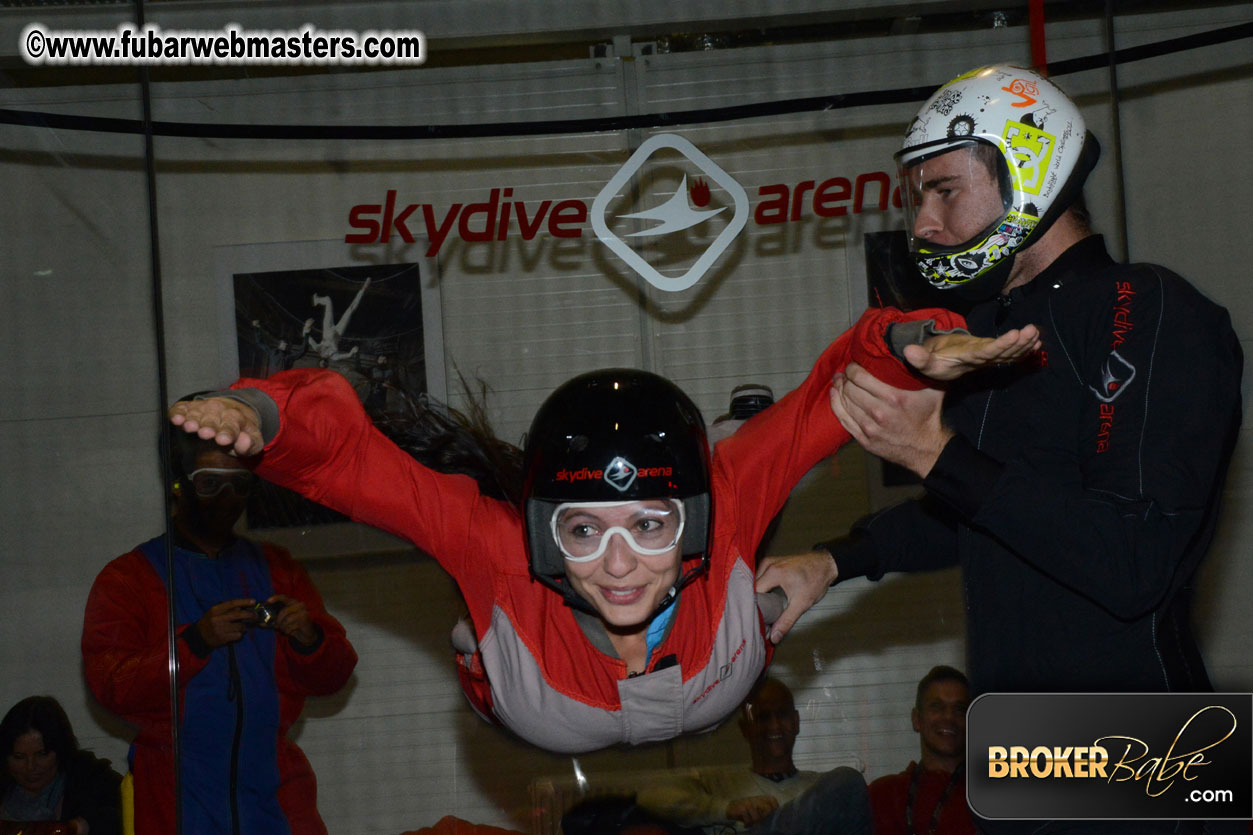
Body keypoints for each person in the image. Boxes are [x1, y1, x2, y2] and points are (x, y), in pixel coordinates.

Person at [167, 306, 1040, 754]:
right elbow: (354, 463)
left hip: (710, 663)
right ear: (546, 530)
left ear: (691, 512)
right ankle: (491, 639)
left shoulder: (725, 496)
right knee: (492, 582)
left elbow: (835, 389)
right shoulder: (499, 544)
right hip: (545, 697)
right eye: (582, 530)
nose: (618, 566)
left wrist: (918, 340)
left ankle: (744, 584)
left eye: (649, 524)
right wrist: (258, 415)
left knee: (754, 499)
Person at [765, 64, 1243, 832]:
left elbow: (1133, 560)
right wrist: (830, 561)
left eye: (944, 191)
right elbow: (981, 512)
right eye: (916, 197)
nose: (923, 222)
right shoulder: (990, 333)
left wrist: (935, 455)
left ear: (1030, 173)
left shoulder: (1150, 308)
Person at [81, 425, 358, 835]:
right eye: (210, 483)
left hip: (275, 793)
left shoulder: (277, 568)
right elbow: (111, 686)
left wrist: (309, 638)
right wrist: (195, 641)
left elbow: (335, 674)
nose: (227, 499)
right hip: (177, 796)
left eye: (239, 485)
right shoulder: (128, 578)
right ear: (177, 486)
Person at [637, 676, 872, 834]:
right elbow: (649, 797)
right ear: (745, 729)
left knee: (847, 781)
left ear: (796, 722)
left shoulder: (821, 791)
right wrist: (726, 809)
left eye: (783, 715)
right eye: (763, 717)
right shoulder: (718, 783)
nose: (775, 726)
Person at [867, 667, 973, 835]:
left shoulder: (990, 796)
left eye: (959, 710)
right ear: (916, 719)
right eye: (937, 707)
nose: (948, 717)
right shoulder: (882, 795)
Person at [0, 696, 122, 835]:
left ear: (61, 750)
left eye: (42, 754)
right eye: (19, 757)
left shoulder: (92, 781)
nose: (30, 767)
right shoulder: (3, 786)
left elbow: (127, 815)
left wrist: (85, 825)